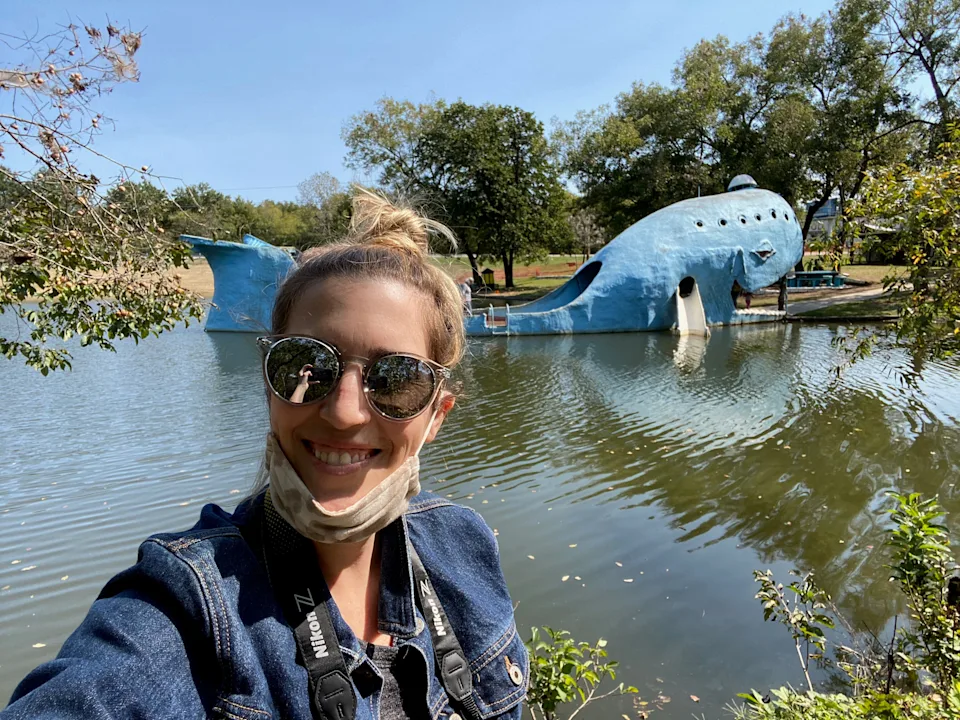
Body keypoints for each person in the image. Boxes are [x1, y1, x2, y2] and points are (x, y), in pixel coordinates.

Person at [2, 191, 528, 720]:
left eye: (396, 380)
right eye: (307, 366)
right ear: (268, 384)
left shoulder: (462, 543)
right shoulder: (190, 604)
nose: (344, 413)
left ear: (436, 414)